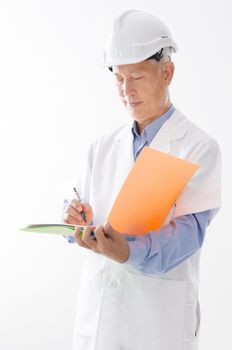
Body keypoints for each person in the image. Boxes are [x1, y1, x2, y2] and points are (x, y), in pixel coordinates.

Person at [62, 10, 221, 350]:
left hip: (156, 326)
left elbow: (188, 235)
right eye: (118, 79)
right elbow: (75, 206)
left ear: (167, 72)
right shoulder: (102, 147)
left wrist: (128, 252)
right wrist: (73, 216)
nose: (126, 90)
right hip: (98, 323)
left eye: (136, 77)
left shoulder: (199, 148)